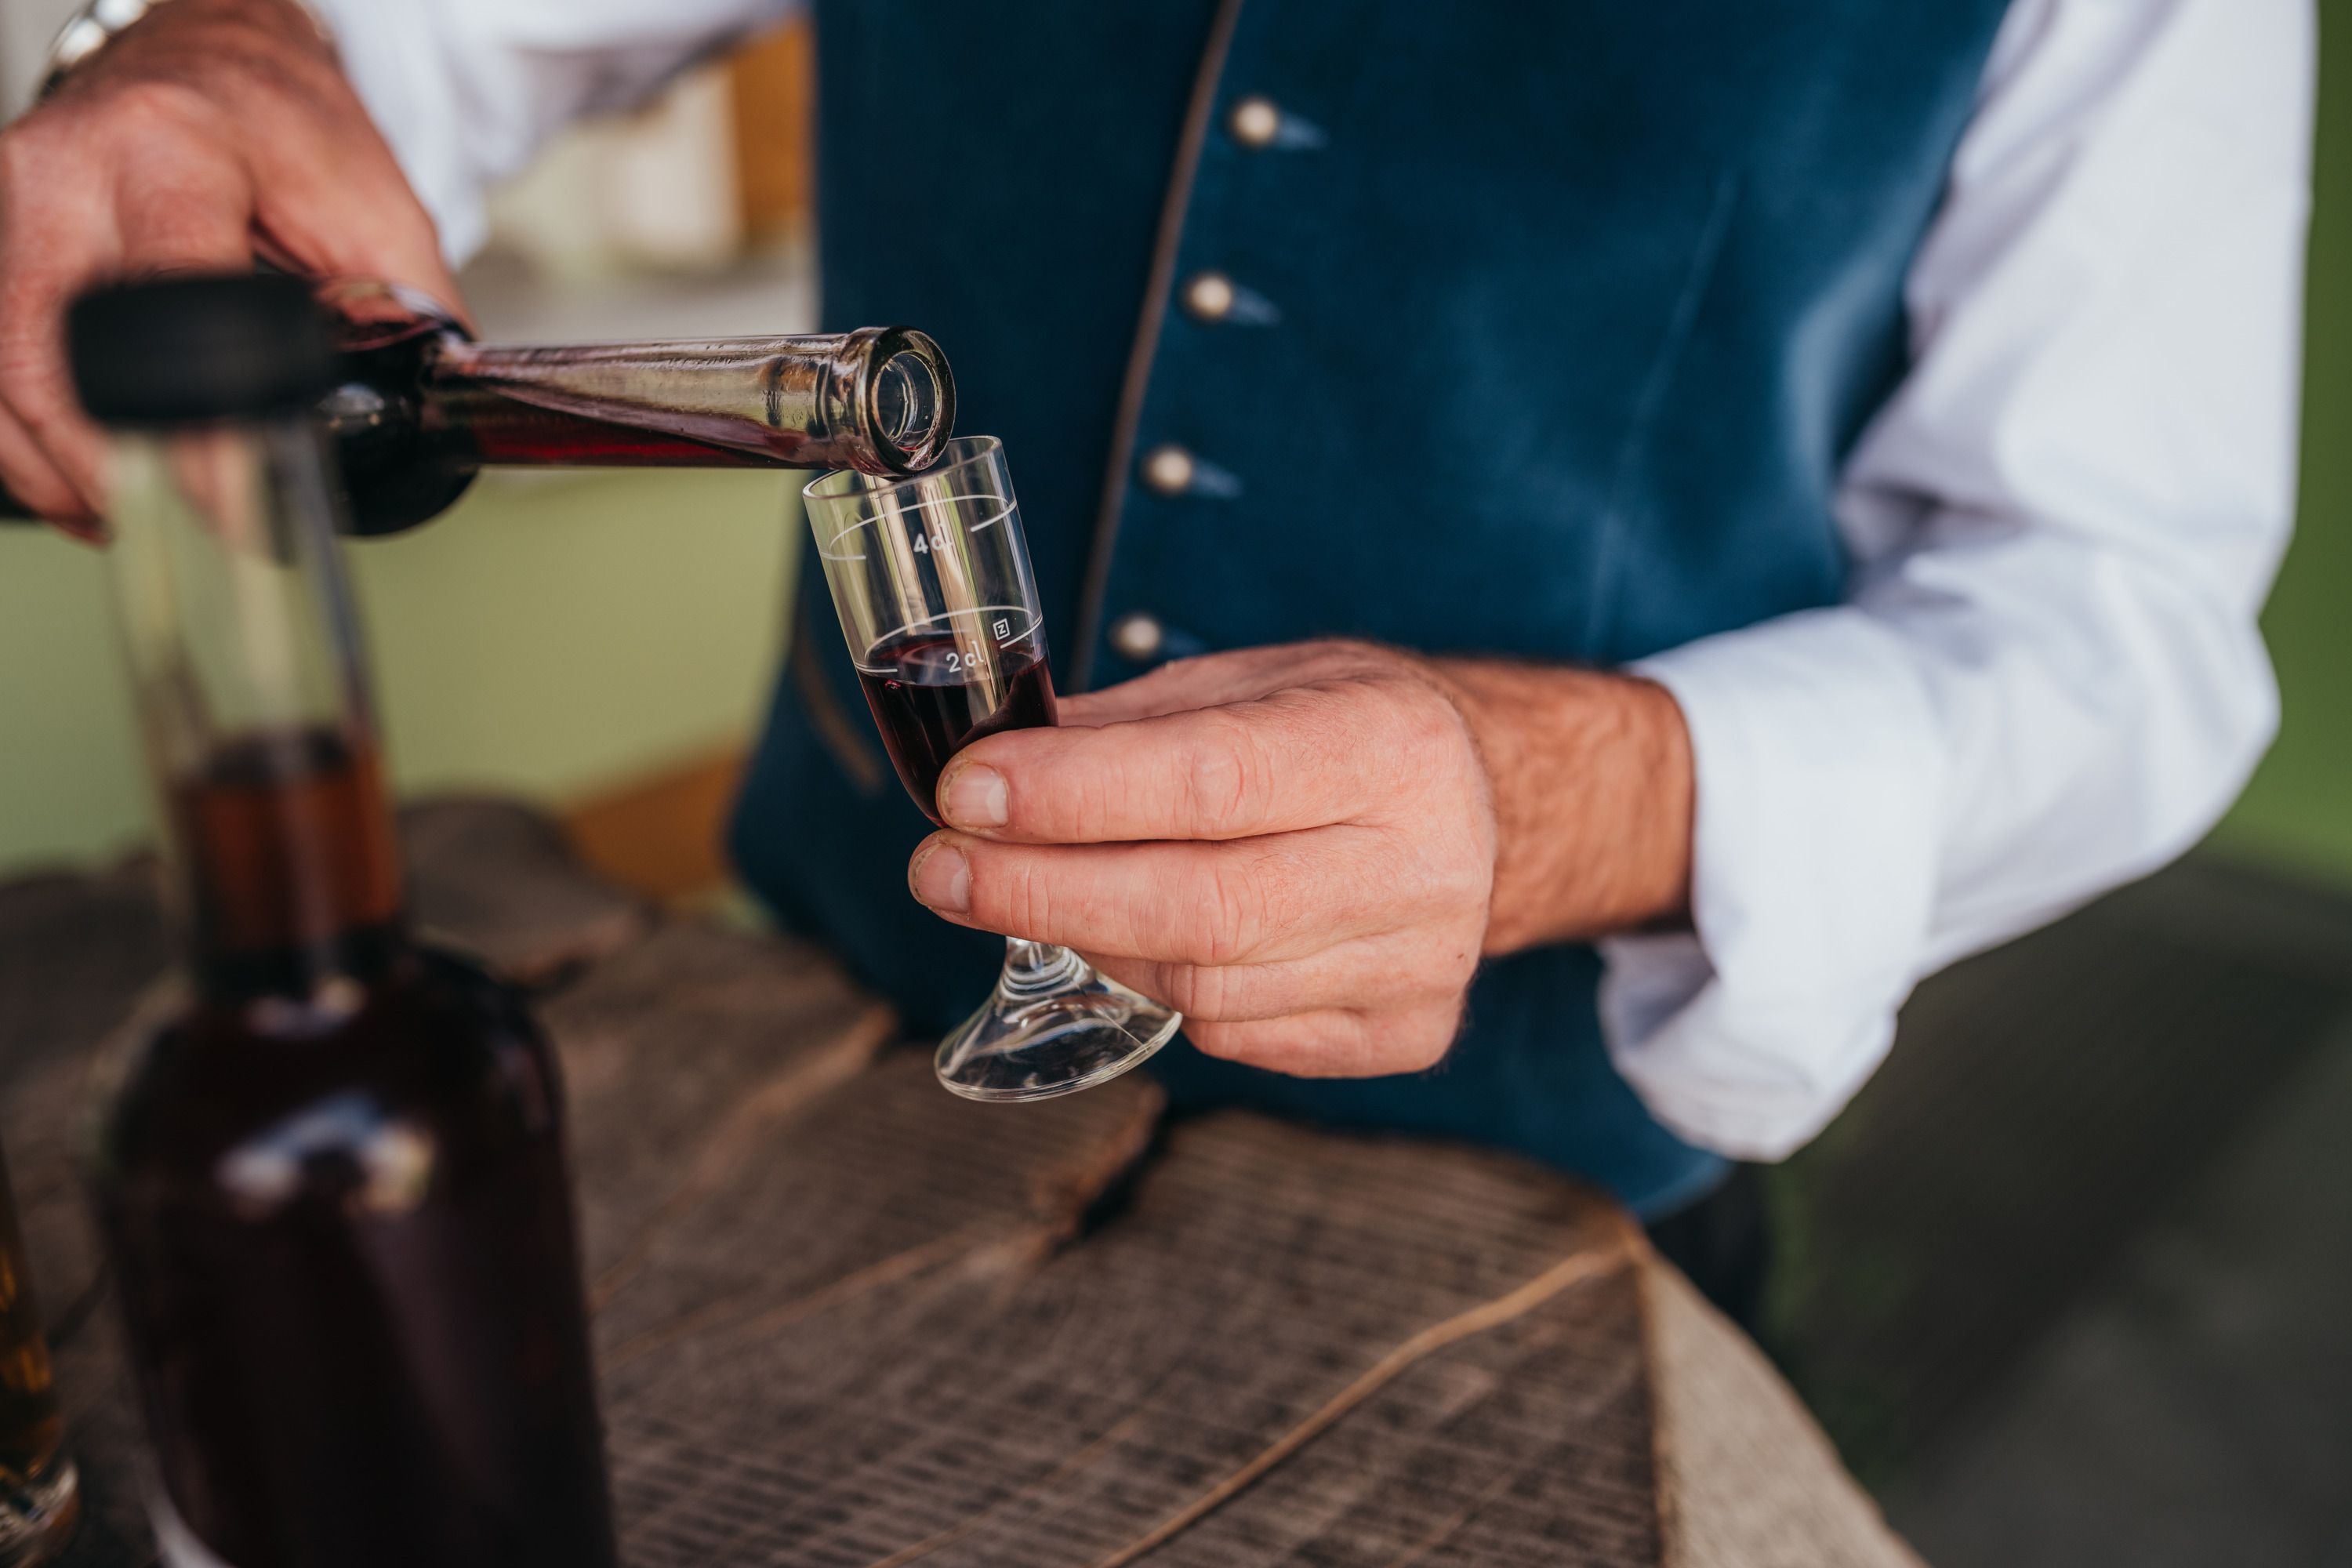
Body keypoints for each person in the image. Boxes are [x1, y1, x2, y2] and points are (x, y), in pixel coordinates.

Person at [0, 0, 2312, 1318]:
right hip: (819, 1075)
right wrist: (220, 47)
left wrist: (1561, 798)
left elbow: (2118, 618)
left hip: (1525, 1231)